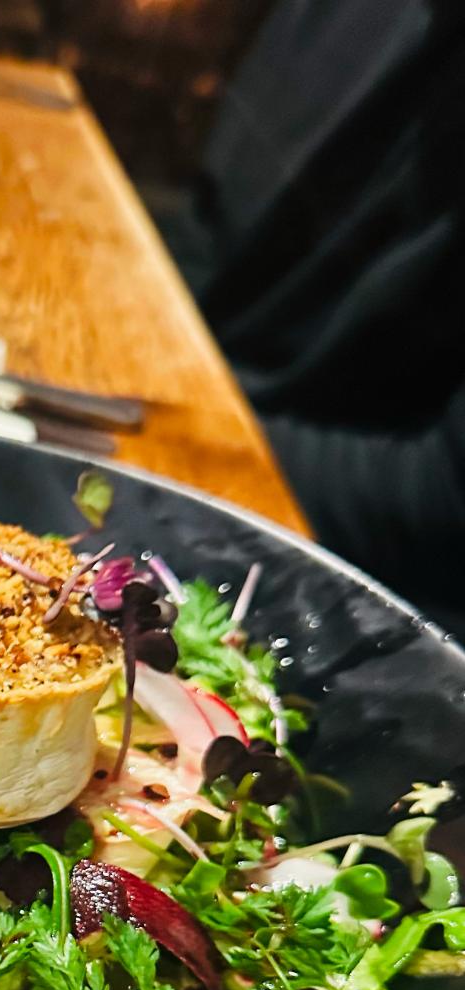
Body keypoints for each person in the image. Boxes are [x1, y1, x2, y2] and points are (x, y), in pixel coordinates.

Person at [162, 0, 465, 626]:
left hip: (350, 580)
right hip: (202, 417)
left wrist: (186, 427)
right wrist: (152, 358)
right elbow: (210, 214)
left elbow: (443, 507)